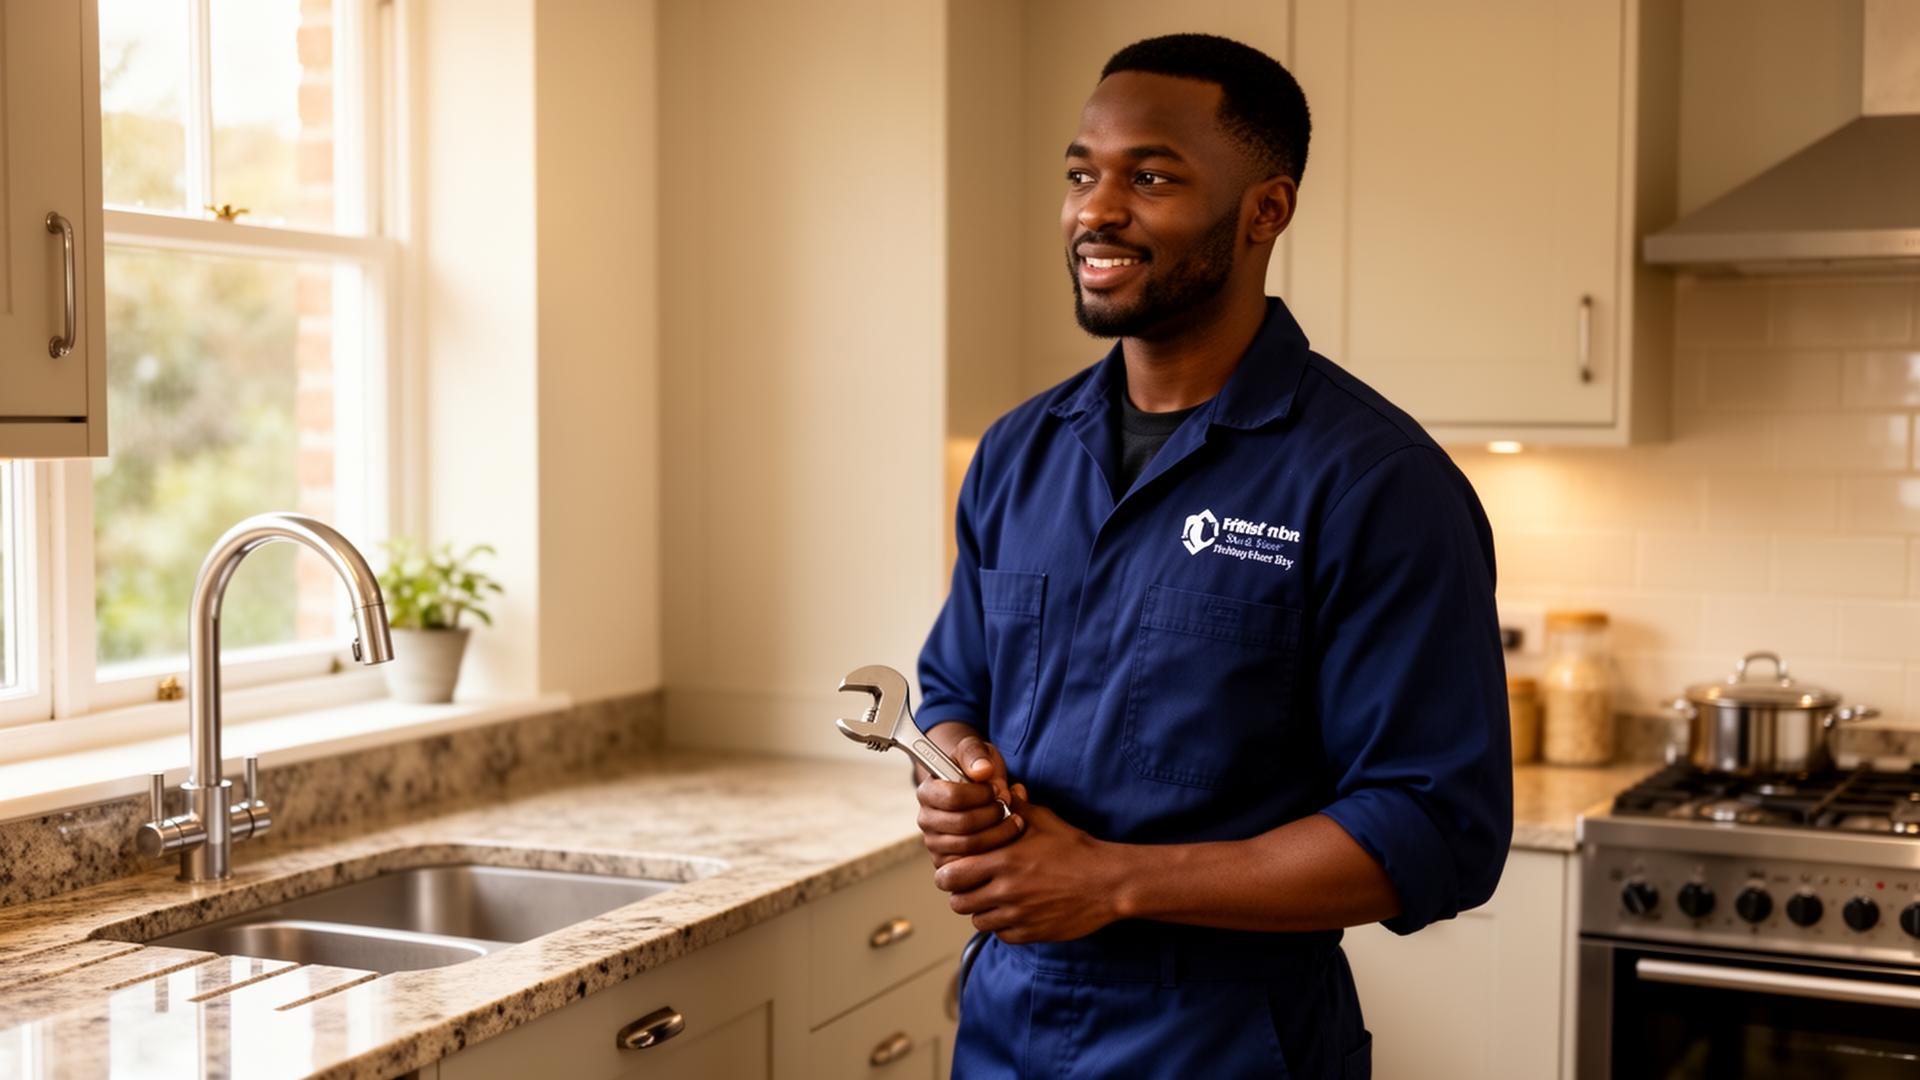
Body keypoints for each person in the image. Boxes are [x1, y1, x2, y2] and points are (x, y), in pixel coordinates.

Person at [912, 33, 1512, 1079]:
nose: (1095, 210)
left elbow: (1433, 826)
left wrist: (1112, 882)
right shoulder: (1018, 452)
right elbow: (953, 686)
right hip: (1007, 1025)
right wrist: (959, 766)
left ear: (1265, 211)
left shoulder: (1375, 481)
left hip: (1229, 1042)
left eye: (1149, 177)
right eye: (1081, 174)